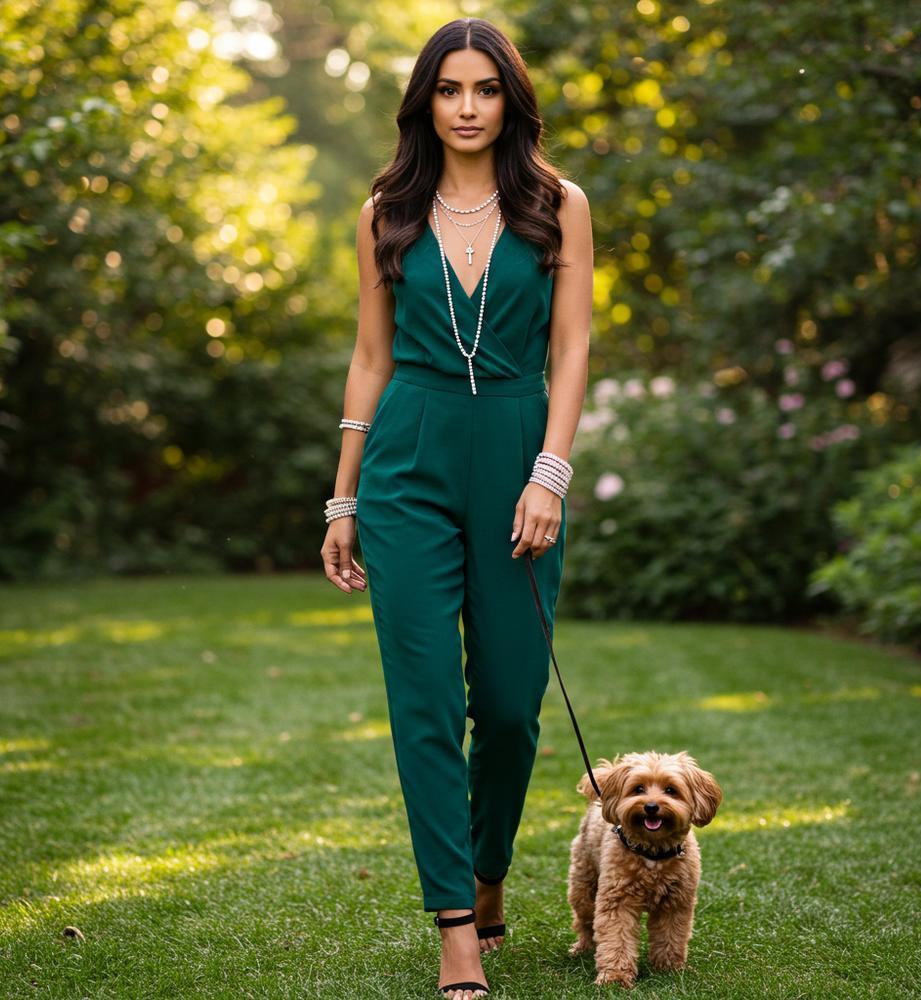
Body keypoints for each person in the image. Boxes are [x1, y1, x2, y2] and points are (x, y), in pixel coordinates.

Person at [320, 16, 592, 999]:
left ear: (509, 100)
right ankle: (454, 930)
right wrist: (342, 495)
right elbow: (370, 355)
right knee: (426, 698)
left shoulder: (559, 204)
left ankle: (487, 876)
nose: (467, 108)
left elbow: (570, 350)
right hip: (409, 460)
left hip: (517, 449)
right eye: (448, 90)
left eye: (484, 90)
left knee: (512, 708)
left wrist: (549, 471)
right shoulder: (386, 207)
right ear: (423, 102)